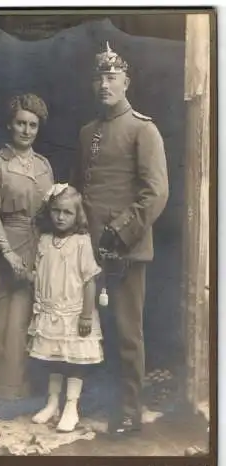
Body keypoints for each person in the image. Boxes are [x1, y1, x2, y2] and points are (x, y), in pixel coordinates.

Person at [70, 42, 169, 436]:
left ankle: (130, 410)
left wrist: (120, 232)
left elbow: (156, 192)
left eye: (112, 78)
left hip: (123, 246)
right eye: (99, 78)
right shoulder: (86, 132)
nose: (104, 84)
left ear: (127, 82)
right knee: (88, 326)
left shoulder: (144, 129)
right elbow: (80, 187)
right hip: (85, 246)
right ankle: (94, 400)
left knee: (127, 332)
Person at [0, 94, 54, 400]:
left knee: (26, 319)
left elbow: (54, 210)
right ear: (10, 124)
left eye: (33, 125)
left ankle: (21, 391)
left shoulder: (44, 165)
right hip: (6, 244)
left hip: (38, 246)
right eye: (21, 123)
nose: (26, 130)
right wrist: (7, 253)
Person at [27, 184, 103, 432]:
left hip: (74, 312)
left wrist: (86, 315)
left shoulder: (81, 242)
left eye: (67, 213)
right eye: (56, 211)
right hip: (51, 311)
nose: (61, 217)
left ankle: (71, 406)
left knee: (74, 360)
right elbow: (41, 273)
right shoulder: (45, 240)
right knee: (54, 358)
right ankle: (52, 403)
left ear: (77, 215)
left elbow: (90, 280)